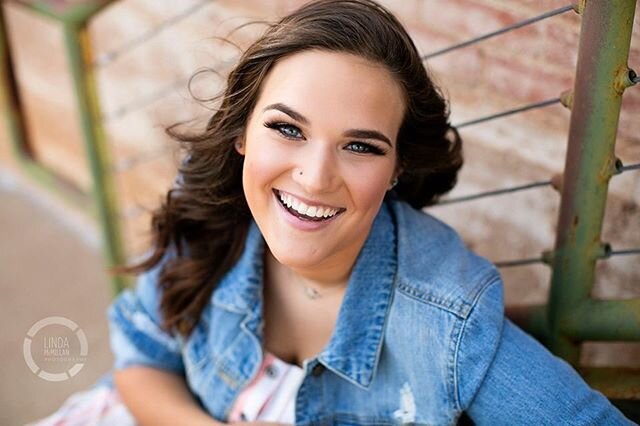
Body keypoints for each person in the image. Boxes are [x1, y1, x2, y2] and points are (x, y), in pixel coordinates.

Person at [31, 0, 634, 425]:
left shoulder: (444, 318)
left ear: (397, 167)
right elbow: (141, 363)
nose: (315, 177)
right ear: (242, 133)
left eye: (360, 145)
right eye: (287, 129)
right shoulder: (212, 213)